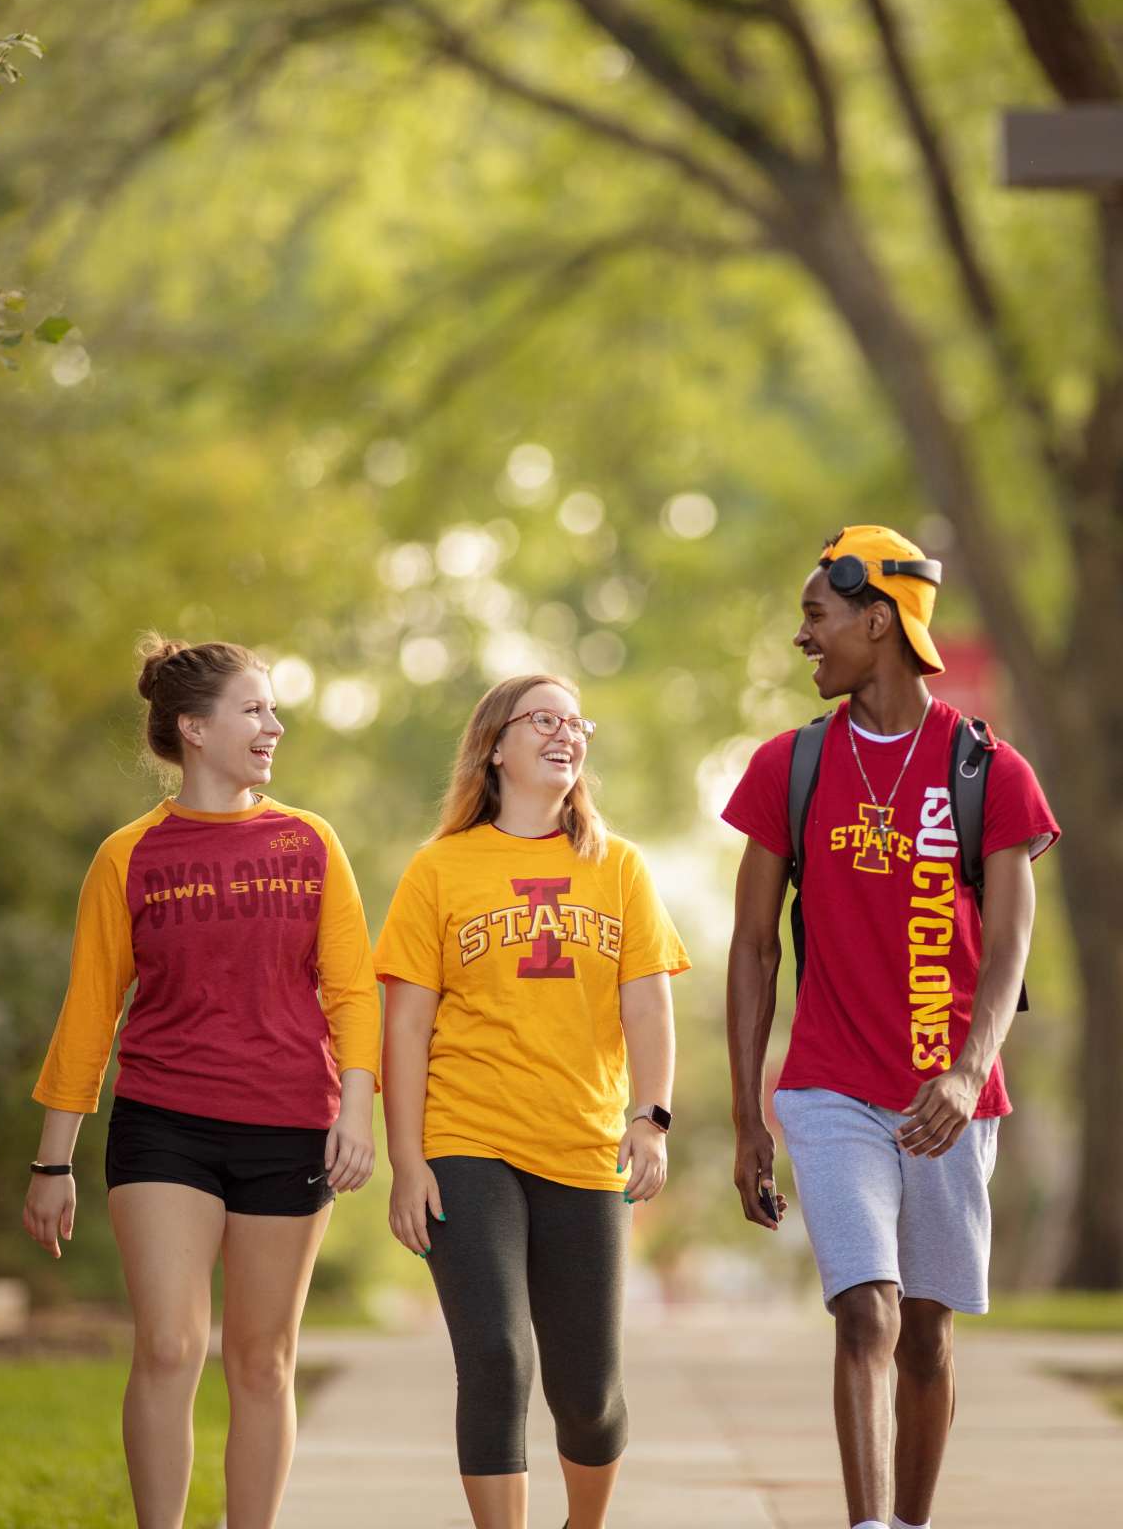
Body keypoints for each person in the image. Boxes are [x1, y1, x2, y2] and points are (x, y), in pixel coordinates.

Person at [721, 527, 1058, 1529]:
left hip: (947, 1103)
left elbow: (1007, 954)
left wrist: (965, 1073)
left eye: (816, 617)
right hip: (828, 1087)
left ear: (880, 620)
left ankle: (911, 1521)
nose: (801, 638)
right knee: (863, 1308)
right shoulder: (790, 767)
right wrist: (748, 1118)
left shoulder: (989, 772)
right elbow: (751, 952)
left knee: (923, 1334)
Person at [21, 635, 380, 1529]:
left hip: (290, 1121)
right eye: (254, 709)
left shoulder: (309, 842)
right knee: (172, 1344)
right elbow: (89, 1011)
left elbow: (352, 993)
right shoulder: (127, 856)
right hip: (164, 1123)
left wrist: (357, 1113)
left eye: (273, 709)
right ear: (194, 728)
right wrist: (52, 1161)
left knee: (261, 1361)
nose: (274, 725)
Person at [377, 674, 687, 1529]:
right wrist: (407, 1162)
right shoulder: (439, 869)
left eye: (575, 721)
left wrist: (650, 1117)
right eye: (542, 719)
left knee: (587, 1392)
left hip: (584, 1145)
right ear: (495, 745)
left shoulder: (618, 867)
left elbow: (650, 1006)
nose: (566, 733)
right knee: (496, 1355)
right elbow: (403, 1028)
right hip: (465, 1139)